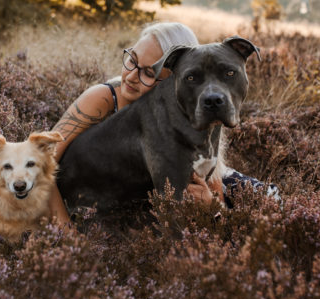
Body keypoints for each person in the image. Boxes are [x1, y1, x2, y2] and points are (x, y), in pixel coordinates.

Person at [47, 22, 278, 224]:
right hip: (98, 196)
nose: (131, 76)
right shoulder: (104, 98)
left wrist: (211, 207)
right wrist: (65, 230)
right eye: (132, 60)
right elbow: (38, 164)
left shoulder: (194, 108)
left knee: (271, 197)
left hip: (159, 187)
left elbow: (212, 182)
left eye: (149, 72)